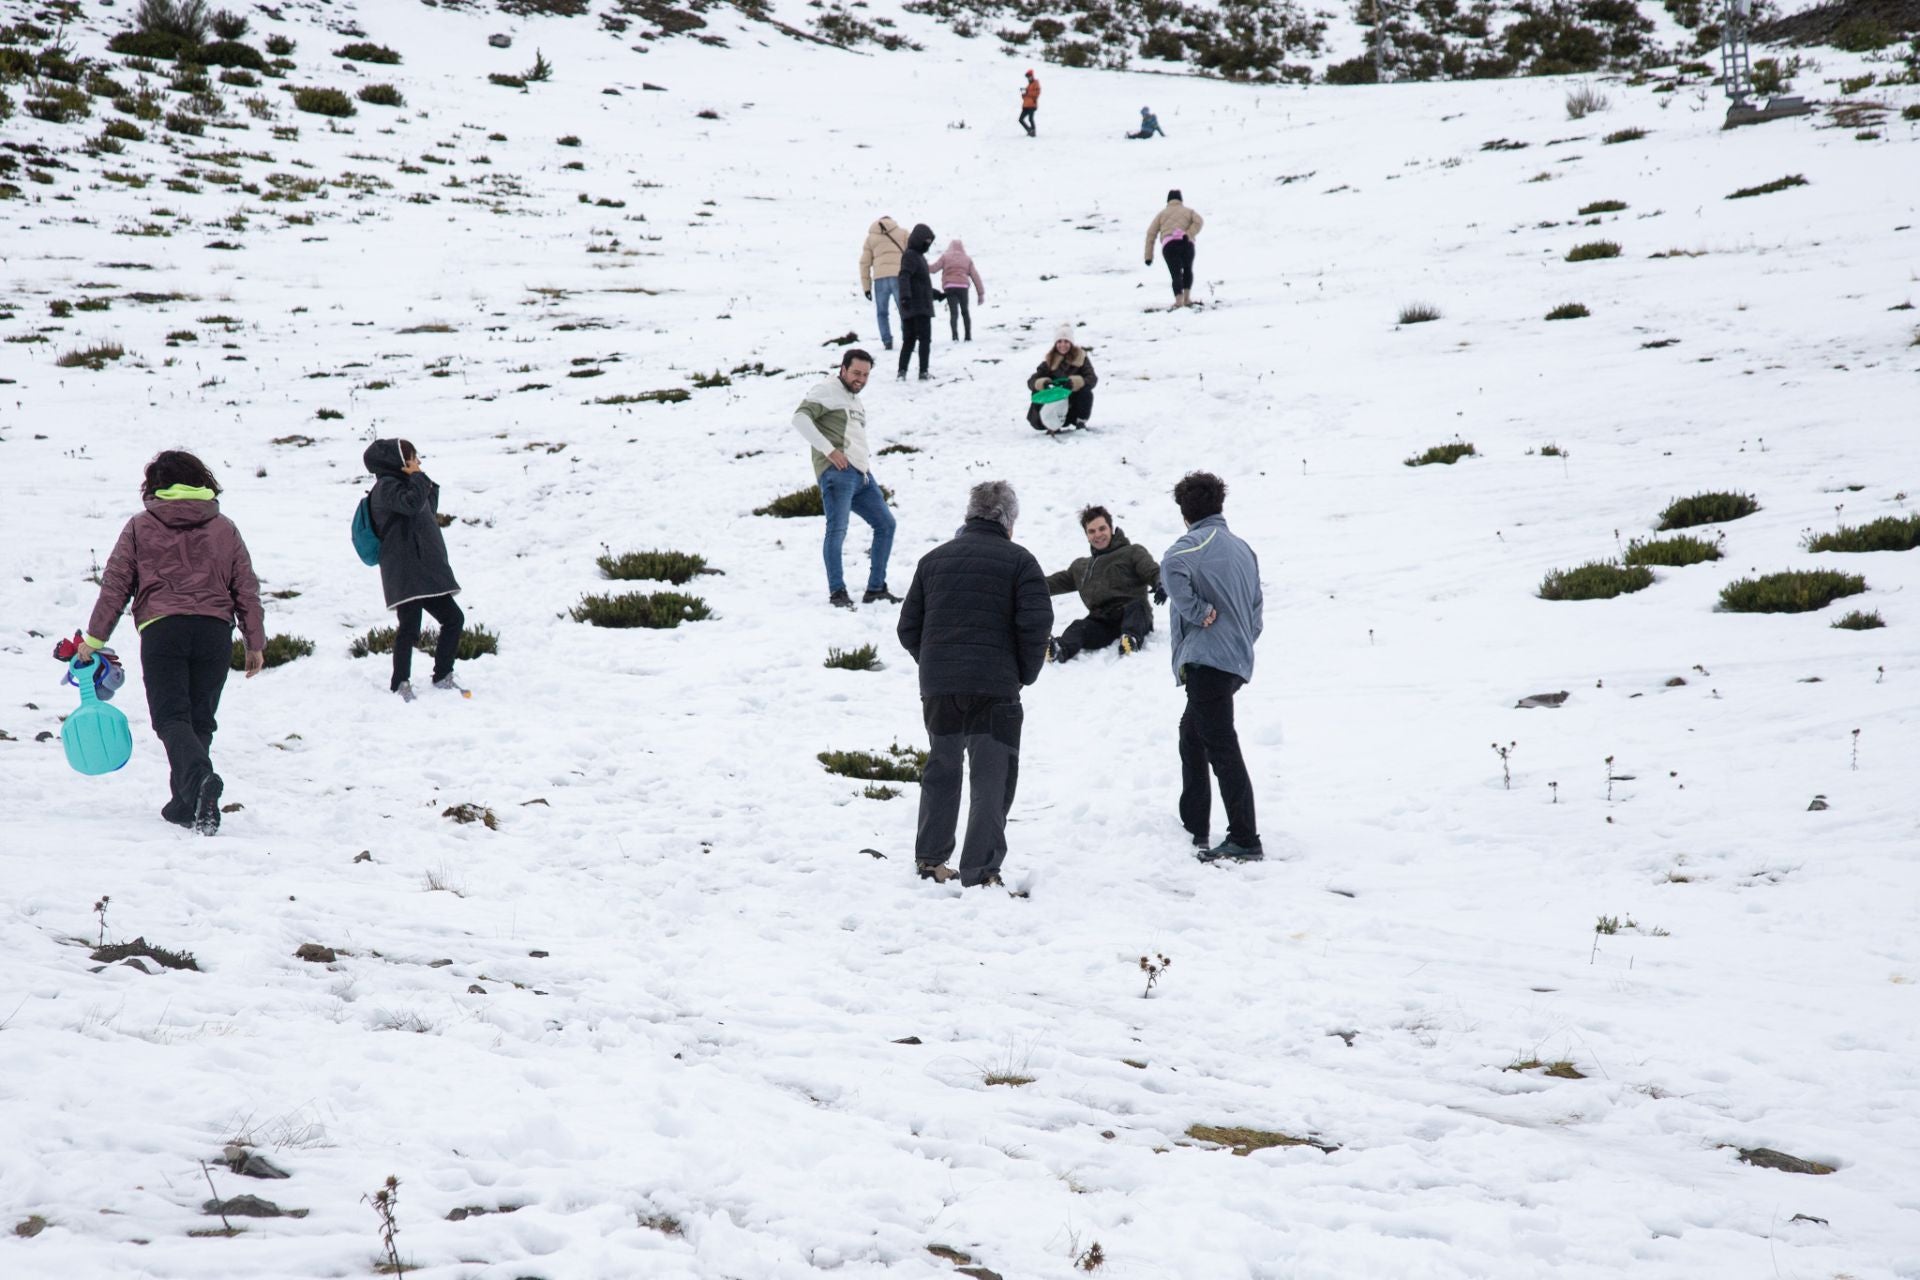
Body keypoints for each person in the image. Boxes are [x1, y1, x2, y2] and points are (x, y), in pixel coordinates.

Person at [76, 449, 265, 835]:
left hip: (164, 630)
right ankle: (185, 802)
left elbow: (116, 586)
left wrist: (94, 639)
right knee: (200, 719)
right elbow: (245, 587)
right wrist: (255, 642)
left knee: (171, 718)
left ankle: (198, 782)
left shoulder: (140, 526)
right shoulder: (224, 527)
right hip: (214, 632)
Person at [897, 480, 1052, 888]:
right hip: (995, 689)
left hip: (940, 688)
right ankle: (981, 871)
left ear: (970, 515)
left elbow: (908, 627)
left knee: (942, 769)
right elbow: (1036, 625)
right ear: (1009, 521)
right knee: (992, 777)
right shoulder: (1021, 562)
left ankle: (931, 861)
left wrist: (935, 662)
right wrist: (1024, 672)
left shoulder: (932, 560)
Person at [1162, 471, 1264, 862]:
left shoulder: (1194, 542)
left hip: (1209, 659)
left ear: (1184, 512)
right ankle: (1194, 824)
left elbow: (1170, 565)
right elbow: (1256, 612)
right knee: (1192, 734)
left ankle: (1244, 837)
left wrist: (1199, 611)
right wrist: (1238, 640)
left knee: (1221, 745)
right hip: (1234, 659)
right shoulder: (1243, 549)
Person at [792, 349, 897, 609]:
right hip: (838, 473)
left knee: (886, 524)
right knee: (837, 530)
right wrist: (829, 450)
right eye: (855, 373)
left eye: (865, 374)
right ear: (843, 369)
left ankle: (875, 589)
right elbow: (800, 418)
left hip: (862, 476)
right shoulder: (827, 389)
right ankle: (837, 592)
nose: (860, 379)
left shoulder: (854, 399)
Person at [364, 439, 465, 701]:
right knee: (409, 627)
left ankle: (443, 674)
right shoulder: (386, 487)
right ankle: (400, 683)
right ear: (399, 461)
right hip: (405, 570)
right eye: (412, 458)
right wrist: (419, 479)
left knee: (453, 619)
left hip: (424, 570)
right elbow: (409, 505)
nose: (417, 463)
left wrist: (422, 479)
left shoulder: (405, 484)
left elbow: (427, 508)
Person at [1044, 505, 1161, 662]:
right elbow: (1052, 583)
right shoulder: (1081, 566)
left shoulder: (1132, 552)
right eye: (1091, 531)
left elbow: (1152, 570)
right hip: (1102, 620)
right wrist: (1024, 587)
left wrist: (1161, 583)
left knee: (1138, 608)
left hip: (1132, 611)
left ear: (1111, 528)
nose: (1098, 535)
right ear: (1086, 535)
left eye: (1102, 529)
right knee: (1079, 627)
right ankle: (1059, 649)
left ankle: (1130, 640)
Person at [1025, 324, 1097, 432]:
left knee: (1086, 391)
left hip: (1073, 405)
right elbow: (1032, 381)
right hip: (1055, 403)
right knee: (1037, 390)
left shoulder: (1081, 359)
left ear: (1071, 343)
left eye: (1066, 341)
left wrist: (1075, 383)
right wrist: (1043, 383)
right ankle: (1051, 424)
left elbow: (1092, 378)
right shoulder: (1049, 361)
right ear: (1055, 344)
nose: (1062, 345)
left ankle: (1080, 421)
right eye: (1059, 341)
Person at [1144, 188, 1204, 309]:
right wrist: (1189, 234)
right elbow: (1199, 221)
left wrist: (1148, 257)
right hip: (1186, 243)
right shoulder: (1189, 211)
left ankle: (1178, 301)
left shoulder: (1161, 214)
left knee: (1175, 273)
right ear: (1181, 200)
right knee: (1188, 270)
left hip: (1169, 246)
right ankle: (1187, 299)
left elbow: (1151, 234)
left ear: (1168, 201)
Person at [859, 215, 910, 351]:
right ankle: (907, 338)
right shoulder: (903, 233)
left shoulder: (870, 238)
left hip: (880, 279)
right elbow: (911, 254)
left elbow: (864, 263)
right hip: (899, 276)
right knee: (904, 310)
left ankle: (887, 341)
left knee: (882, 312)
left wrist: (866, 288)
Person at [896, 222, 938, 381]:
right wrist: (905, 297)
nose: (927, 245)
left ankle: (903, 372)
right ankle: (922, 372)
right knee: (922, 340)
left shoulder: (918, 257)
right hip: (918, 308)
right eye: (926, 242)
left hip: (914, 306)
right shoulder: (912, 256)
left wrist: (936, 294)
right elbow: (904, 276)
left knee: (910, 341)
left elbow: (920, 285)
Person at [927, 238, 985, 342]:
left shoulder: (945, 257)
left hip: (950, 287)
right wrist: (980, 293)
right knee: (965, 312)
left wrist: (923, 265)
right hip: (963, 287)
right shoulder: (967, 259)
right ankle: (968, 336)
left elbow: (934, 269)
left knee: (954, 313)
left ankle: (955, 336)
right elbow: (975, 276)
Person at [1018, 69, 1040, 137]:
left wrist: (1027, 92)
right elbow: (1026, 97)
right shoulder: (1028, 85)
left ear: (1032, 76)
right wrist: (1023, 94)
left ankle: (1033, 132)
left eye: (1029, 76)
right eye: (1027, 77)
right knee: (1020, 119)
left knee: (1030, 119)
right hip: (1026, 105)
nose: (1028, 78)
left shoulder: (1036, 83)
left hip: (1032, 105)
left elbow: (1037, 93)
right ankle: (1029, 130)